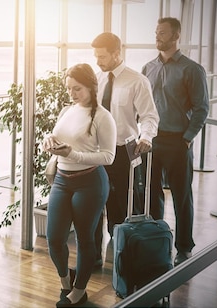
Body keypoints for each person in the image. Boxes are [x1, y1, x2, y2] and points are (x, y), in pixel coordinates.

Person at [43, 63, 116, 307]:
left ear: (92, 87)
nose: (72, 94)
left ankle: (79, 291)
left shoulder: (104, 117)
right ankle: (66, 282)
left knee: (85, 239)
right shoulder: (68, 110)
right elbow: (58, 135)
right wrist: (49, 140)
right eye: (69, 89)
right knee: (54, 238)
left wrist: (73, 154)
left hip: (90, 183)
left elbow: (108, 156)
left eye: (78, 89)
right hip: (62, 180)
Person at [142, 17, 209, 266]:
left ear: (175, 36)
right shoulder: (148, 67)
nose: (157, 36)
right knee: (151, 194)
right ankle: (157, 239)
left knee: (181, 196)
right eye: (156, 32)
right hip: (152, 140)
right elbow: (143, 104)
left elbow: (202, 108)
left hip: (178, 141)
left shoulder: (192, 69)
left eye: (162, 33)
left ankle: (184, 247)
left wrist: (187, 138)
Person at [91, 32, 159, 267]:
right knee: (95, 203)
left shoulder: (136, 81)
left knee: (124, 204)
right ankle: (94, 257)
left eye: (102, 56)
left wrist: (147, 136)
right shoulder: (97, 79)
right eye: (96, 56)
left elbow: (150, 116)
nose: (98, 61)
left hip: (124, 151)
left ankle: (124, 255)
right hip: (98, 151)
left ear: (116, 53)